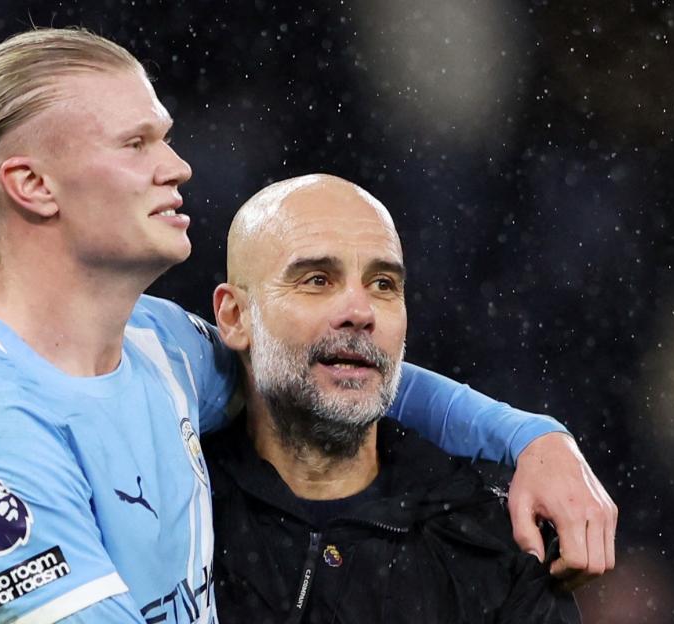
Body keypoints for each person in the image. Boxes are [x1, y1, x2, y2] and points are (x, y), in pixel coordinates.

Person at [0, 28, 613, 623]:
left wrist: (532, 440)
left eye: (164, 136)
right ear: (32, 184)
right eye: (137, 143)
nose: (177, 165)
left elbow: (336, 361)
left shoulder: (156, 346)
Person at [206, 174, 583, 622]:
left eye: (383, 284)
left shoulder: (498, 545)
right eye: (317, 280)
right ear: (234, 317)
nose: (360, 312)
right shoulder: (173, 504)